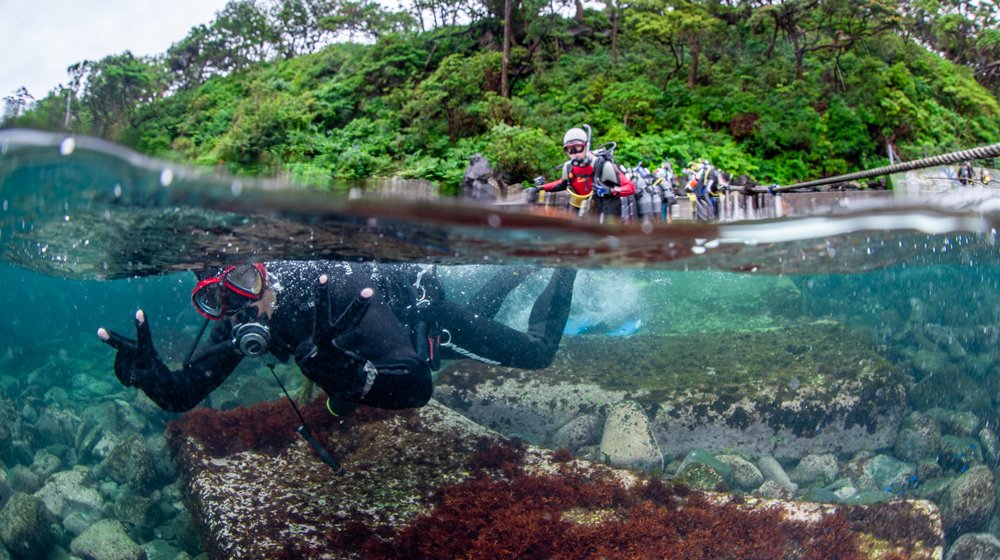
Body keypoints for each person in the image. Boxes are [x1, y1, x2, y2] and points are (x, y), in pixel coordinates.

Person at [98, 262, 577, 414]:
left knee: (536, 353)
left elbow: (415, 385)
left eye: (245, 281)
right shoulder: (238, 313)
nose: (239, 305)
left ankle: (565, 263)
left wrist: (353, 376)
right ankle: (514, 271)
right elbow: (184, 394)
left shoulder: (337, 287)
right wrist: (154, 381)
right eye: (217, 298)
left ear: (264, 269)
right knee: (481, 315)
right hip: (374, 348)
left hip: (419, 323)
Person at [526, 126, 637, 223]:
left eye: (577, 147)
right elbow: (561, 183)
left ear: (586, 146)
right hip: (583, 210)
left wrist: (611, 191)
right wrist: (540, 188)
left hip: (606, 212)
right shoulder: (569, 169)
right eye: (569, 149)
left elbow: (631, 188)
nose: (574, 153)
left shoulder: (602, 165)